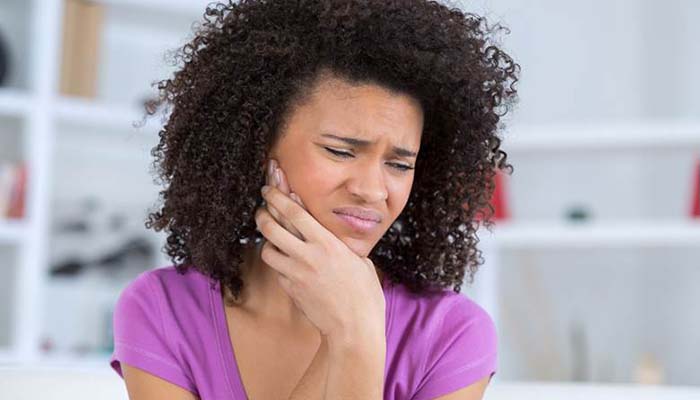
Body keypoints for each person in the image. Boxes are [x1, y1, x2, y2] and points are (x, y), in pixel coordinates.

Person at [109, 0, 519, 399]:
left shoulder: (450, 335)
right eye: (340, 152)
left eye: (398, 165)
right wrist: (349, 335)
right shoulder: (163, 312)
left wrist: (356, 337)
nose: (373, 190)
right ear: (258, 149)